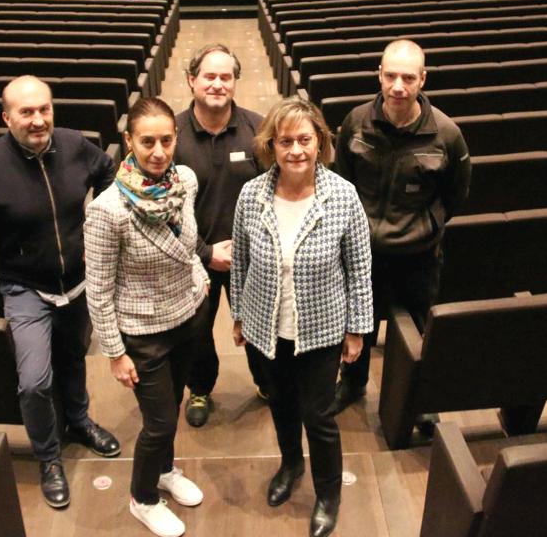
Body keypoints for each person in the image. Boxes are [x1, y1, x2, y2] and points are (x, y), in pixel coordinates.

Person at [0, 75, 121, 509]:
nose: (38, 120)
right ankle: (49, 457)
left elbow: (109, 172)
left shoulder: (74, 145)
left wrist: (101, 228)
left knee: (72, 358)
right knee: (35, 382)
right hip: (25, 287)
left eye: (44, 109)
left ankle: (80, 420)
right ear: (6, 117)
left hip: (77, 284)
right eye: (26, 112)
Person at [230, 97, 373, 537]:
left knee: (319, 415)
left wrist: (357, 329)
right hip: (265, 325)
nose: (296, 150)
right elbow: (240, 261)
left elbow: (360, 266)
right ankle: (291, 464)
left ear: (320, 143)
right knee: (281, 404)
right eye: (286, 141)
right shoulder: (251, 194)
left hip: (323, 327)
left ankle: (328, 492)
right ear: (271, 144)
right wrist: (238, 314)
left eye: (304, 140)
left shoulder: (343, 195)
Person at [85, 97, 209, 537]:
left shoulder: (186, 180)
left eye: (166, 140)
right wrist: (115, 354)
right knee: (158, 422)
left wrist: (198, 275)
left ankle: (165, 470)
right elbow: (98, 292)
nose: (158, 151)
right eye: (147, 141)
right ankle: (143, 497)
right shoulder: (107, 210)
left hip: (187, 315)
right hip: (143, 332)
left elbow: (189, 242)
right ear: (128, 141)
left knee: (172, 408)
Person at [332, 39, 471, 423]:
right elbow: (341, 182)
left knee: (417, 328)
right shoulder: (355, 122)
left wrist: (428, 226)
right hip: (362, 252)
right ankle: (353, 382)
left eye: (408, 78)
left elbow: (456, 194)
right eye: (390, 76)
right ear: (379, 74)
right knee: (358, 321)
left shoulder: (446, 134)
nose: (398, 86)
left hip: (417, 255)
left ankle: (415, 397)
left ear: (422, 79)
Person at [173, 43, 267, 428]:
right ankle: (200, 388)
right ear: (192, 80)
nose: (217, 84)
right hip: (192, 256)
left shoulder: (259, 129)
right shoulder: (172, 134)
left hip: (251, 254)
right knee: (196, 331)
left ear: (235, 82)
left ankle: (267, 381)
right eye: (208, 77)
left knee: (262, 325)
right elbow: (160, 208)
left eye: (225, 77)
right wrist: (205, 251)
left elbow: (274, 193)